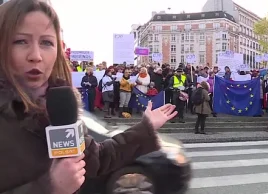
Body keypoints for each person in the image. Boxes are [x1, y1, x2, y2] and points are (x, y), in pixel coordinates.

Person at [0, 0, 178, 193]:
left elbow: (97, 159)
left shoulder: (58, 105)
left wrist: (147, 128)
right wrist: (49, 187)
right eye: (20, 41)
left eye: (46, 42)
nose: (36, 55)